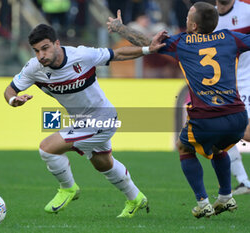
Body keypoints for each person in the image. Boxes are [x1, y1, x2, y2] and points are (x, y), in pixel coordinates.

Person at [4, 24, 165, 217]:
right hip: (81, 121)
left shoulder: (81, 55)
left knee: (47, 148)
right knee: (102, 163)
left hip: (103, 117)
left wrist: (148, 49)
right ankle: (136, 198)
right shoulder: (34, 68)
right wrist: (14, 100)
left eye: (45, 48)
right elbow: (10, 90)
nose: (41, 55)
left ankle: (68, 188)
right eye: (36, 51)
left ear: (57, 43)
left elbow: (117, 54)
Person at [107, 2, 250, 218]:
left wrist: (120, 28)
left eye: (187, 18)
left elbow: (148, 43)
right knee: (219, 148)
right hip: (238, 117)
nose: (185, 21)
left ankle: (203, 203)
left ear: (193, 25)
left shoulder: (182, 43)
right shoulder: (230, 37)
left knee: (184, 147)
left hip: (207, 118)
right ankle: (225, 197)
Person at [214, 0, 250, 195]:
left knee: (242, 132)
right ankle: (243, 182)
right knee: (219, 134)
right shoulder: (207, 16)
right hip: (222, 85)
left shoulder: (247, 12)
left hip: (246, 80)